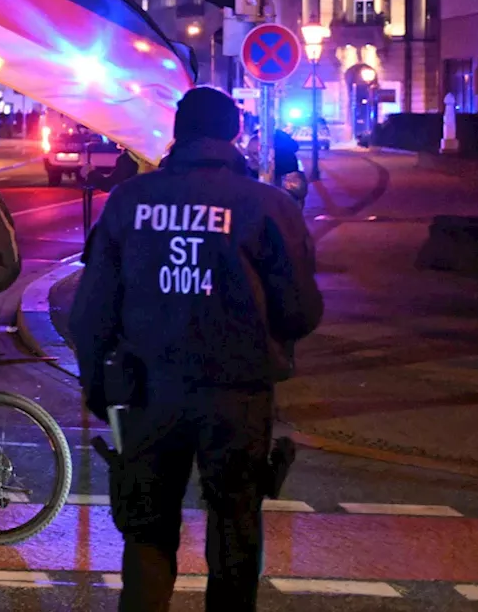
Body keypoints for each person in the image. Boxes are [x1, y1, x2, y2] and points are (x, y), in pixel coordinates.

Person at [70, 86, 323, 612]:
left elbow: (92, 309)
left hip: (148, 390)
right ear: (234, 134)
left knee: (147, 527)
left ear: (177, 133)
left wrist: (97, 384)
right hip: (238, 392)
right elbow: (301, 310)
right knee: (234, 524)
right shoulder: (269, 205)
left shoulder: (129, 201)